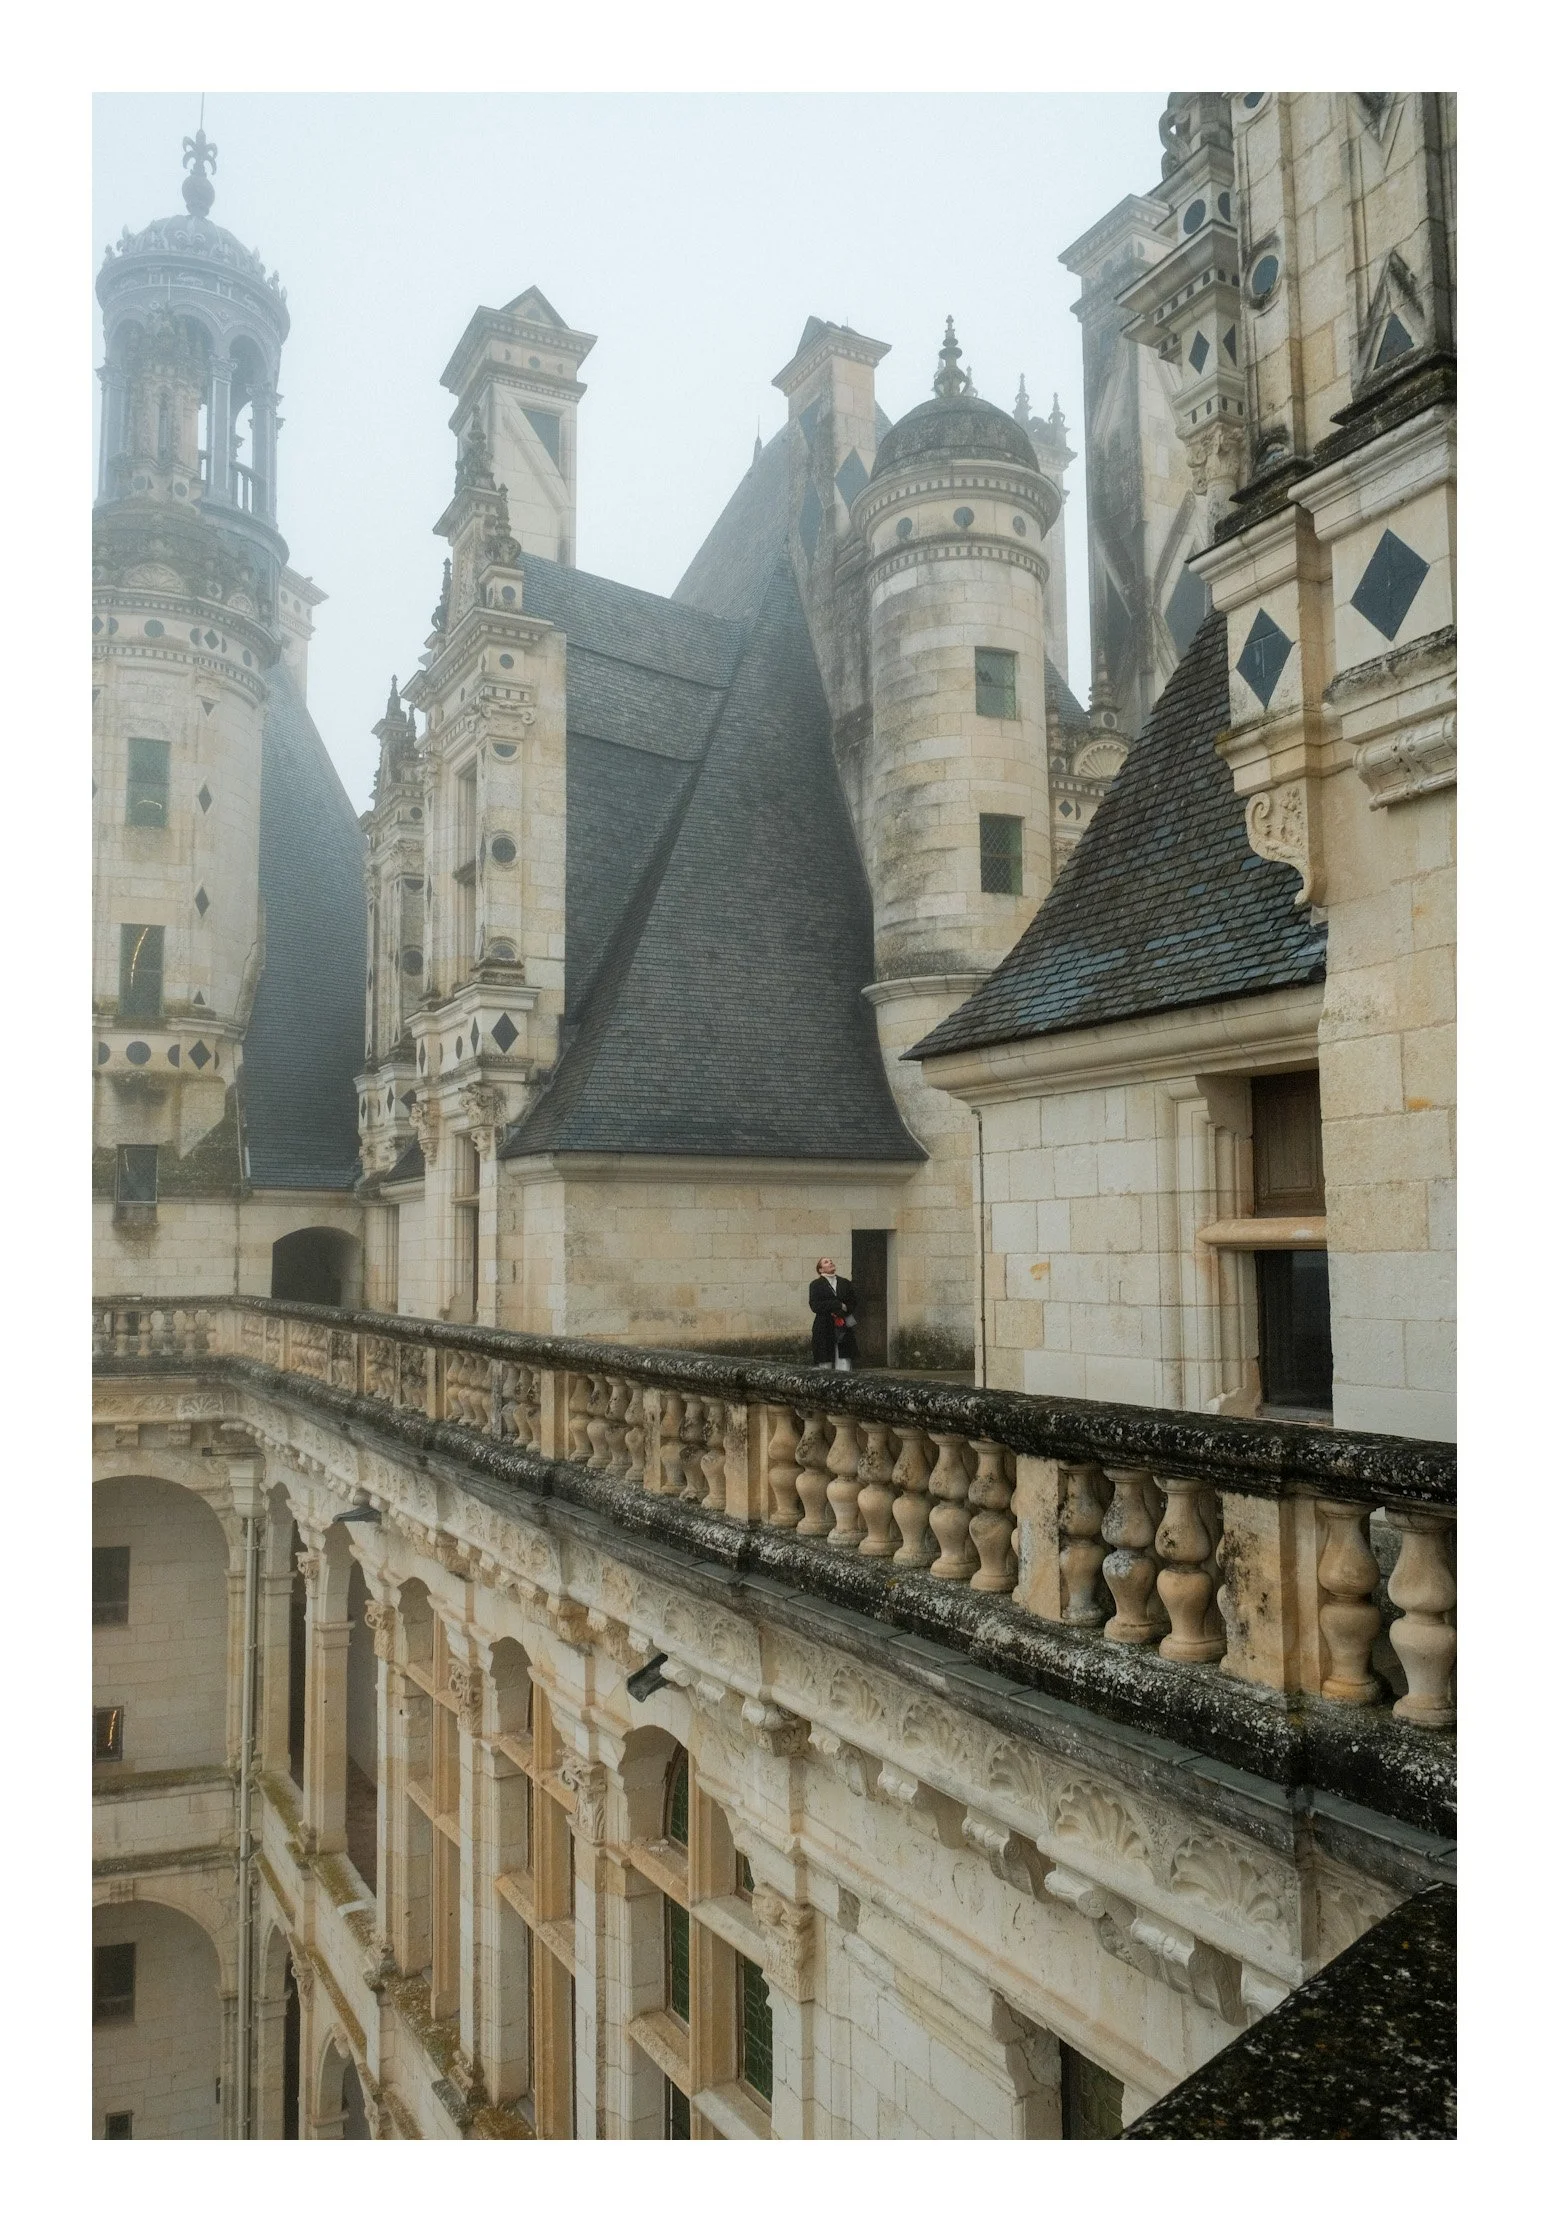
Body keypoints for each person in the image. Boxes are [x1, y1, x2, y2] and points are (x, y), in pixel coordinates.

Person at [809, 1256, 860, 1370]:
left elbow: (853, 1301)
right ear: (820, 1269)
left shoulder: (845, 1283)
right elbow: (815, 1305)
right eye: (826, 1262)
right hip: (824, 1325)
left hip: (843, 1324)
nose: (830, 1263)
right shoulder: (816, 1285)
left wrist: (844, 1310)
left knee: (844, 1357)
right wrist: (837, 1305)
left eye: (831, 1261)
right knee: (825, 1360)